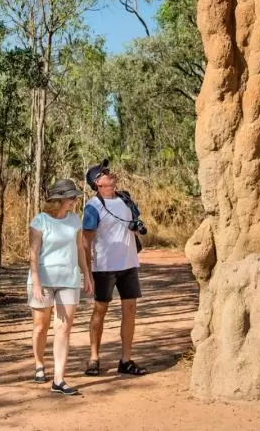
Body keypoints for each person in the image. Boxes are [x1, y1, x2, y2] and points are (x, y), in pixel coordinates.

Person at [81, 158, 148, 377]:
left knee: (130, 311)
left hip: (129, 264)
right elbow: (86, 241)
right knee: (100, 310)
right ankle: (94, 358)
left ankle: (126, 360)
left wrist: (137, 228)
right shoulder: (93, 207)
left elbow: (135, 224)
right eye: (104, 173)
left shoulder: (126, 198)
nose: (110, 173)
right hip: (104, 267)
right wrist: (87, 274)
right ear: (97, 183)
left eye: (108, 171)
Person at [27, 178, 93, 396]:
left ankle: (59, 379)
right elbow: (33, 254)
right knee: (40, 326)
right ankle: (38, 363)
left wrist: (87, 274)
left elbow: (80, 249)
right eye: (71, 197)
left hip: (68, 279)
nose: (75, 201)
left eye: (75, 197)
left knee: (64, 328)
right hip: (43, 279)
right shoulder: (40, 220)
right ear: (59, 199)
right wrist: (36, 281)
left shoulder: (75, 220)